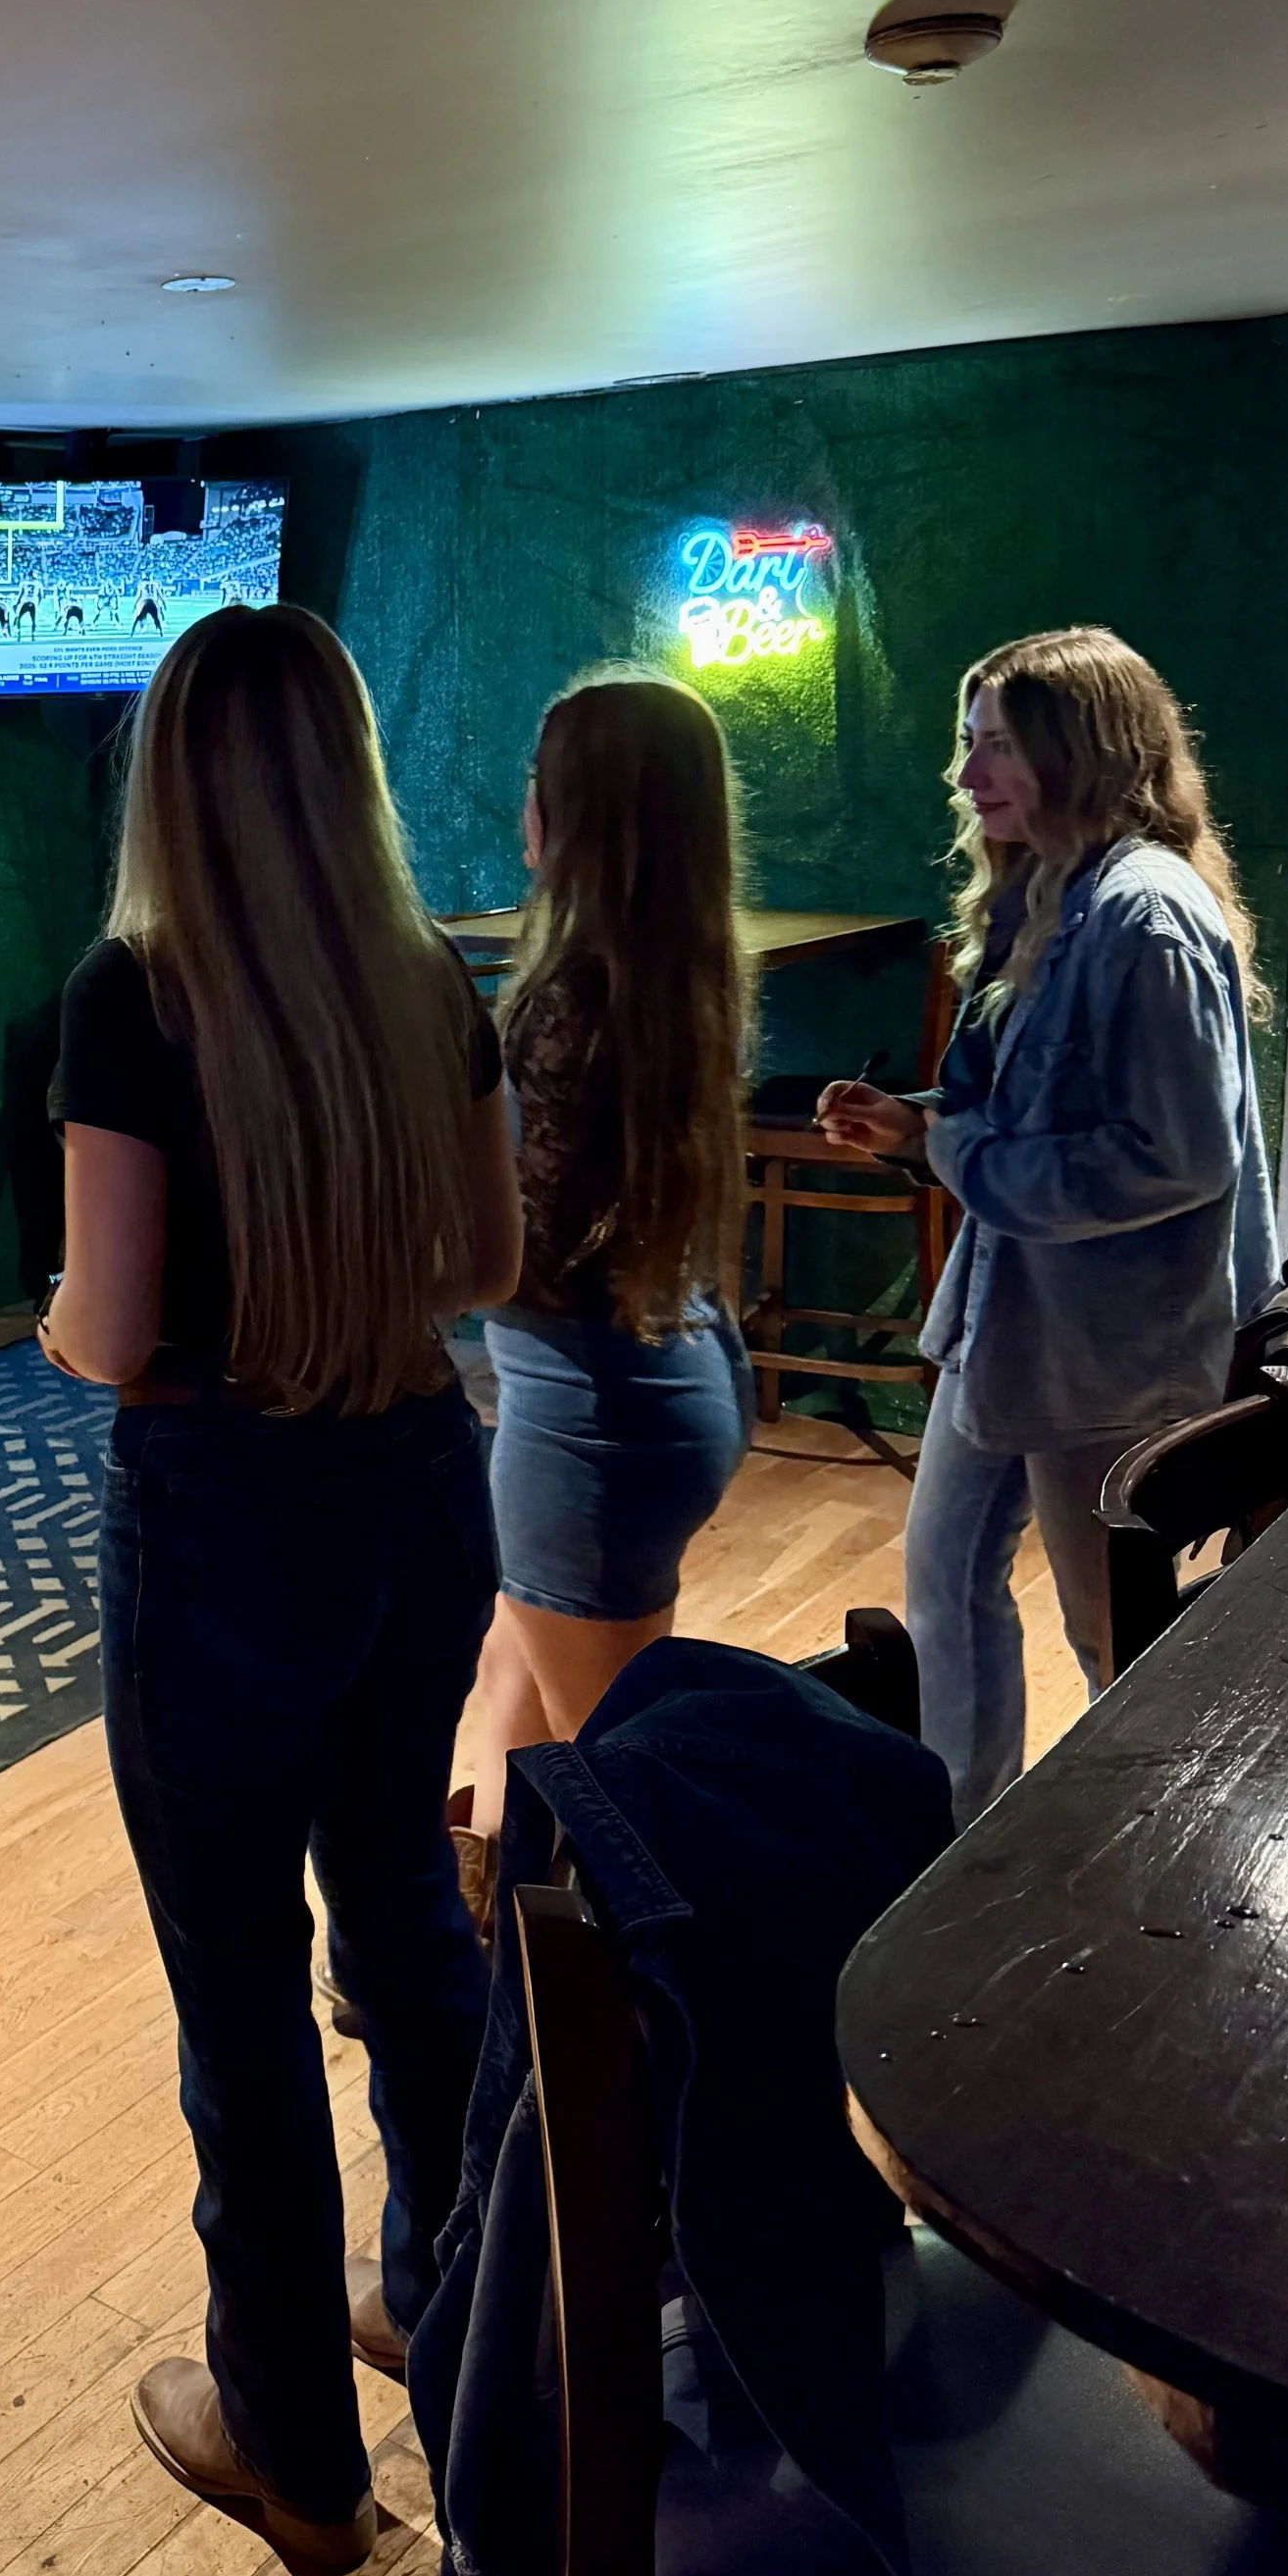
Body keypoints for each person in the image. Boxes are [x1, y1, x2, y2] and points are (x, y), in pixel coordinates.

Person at [40, 603, 521, 2576]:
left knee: (238, 1981)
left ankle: (297, 2451)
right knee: (404, 1911)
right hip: (417, 1479)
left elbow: (110, 1325)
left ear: (170, 777)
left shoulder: (130, 994)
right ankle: (453, 2313)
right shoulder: (427, 977)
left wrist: (60, 1322)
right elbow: (485, 1260)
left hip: (223, 1506)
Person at [818, 627, 1277, 1826]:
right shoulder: (1048, 892)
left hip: (1108, 1352)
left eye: (997, 747)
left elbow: (1176, 1157)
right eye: (967, 744)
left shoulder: (1144, 915)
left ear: (1082, 751)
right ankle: (961, 1844)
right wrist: (915, 1125)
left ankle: (1163, 1853)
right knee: (946, 1581)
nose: (966, 774)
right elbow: (1038, 1107)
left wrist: (954, 1151)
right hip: (1012, 1326)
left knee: (1111, 1632)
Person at [452, 673, 754, 1809]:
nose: (521, 809)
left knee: (613, 1802)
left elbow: (526, 1256)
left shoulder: (571, 999)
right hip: (669, 1382)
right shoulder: (676, 973)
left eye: (537, 784)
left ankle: (589, 1941)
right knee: (507, 1687)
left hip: (589, 1426)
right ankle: (476, 1911)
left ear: (573, 812)